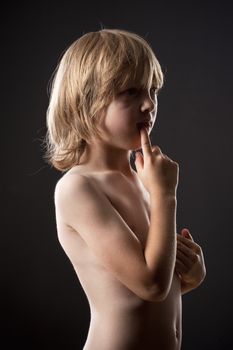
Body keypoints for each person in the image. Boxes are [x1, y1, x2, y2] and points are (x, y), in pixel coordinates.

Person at [44, 28, 206, 350]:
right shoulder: (78, 188)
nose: (149, 104)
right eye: (131, 92)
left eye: (153, 90)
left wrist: (192, 276)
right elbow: (149, 285)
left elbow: (137, 296)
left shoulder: (140, 178)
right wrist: (165, 195)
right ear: (85, 104)